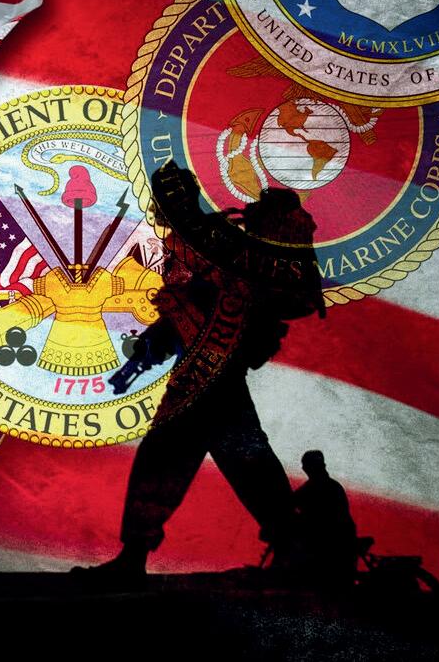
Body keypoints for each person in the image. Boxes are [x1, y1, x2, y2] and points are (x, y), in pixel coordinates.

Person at [74, 169, 323, 584]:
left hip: (214, 377)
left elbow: (227, 302)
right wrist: (148, 351)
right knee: (240, 461)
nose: (158, 211)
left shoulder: (215, 243)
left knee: (184, 460)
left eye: (164, 202)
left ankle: (135, 558)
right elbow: (183, 312)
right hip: (205, 374)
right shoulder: (197, 242)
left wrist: (161, 341)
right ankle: (291, 550)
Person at [293, 450, 357, 588]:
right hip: (339, 540)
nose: (304, 468)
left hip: (330, 543)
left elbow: (295, 505)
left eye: (306, 465)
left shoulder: (315, 488)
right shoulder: (331, 486)